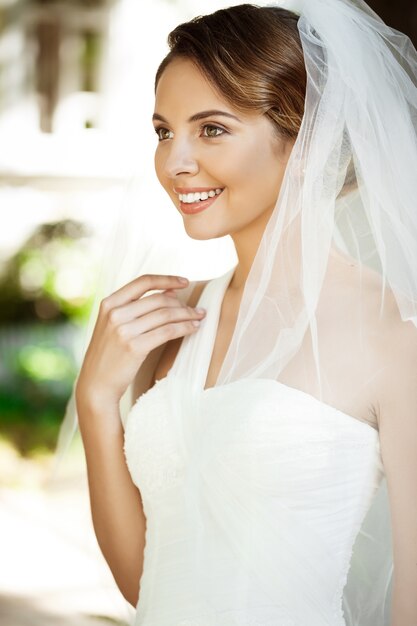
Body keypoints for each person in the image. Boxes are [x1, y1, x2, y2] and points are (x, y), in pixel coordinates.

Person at [67, 1, 417, 624]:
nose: (174, 162)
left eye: (212, 129)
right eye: (163, 130)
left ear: (308, 139)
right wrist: (96, 402)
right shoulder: (170, 321)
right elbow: (146, 583)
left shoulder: (393, 336)